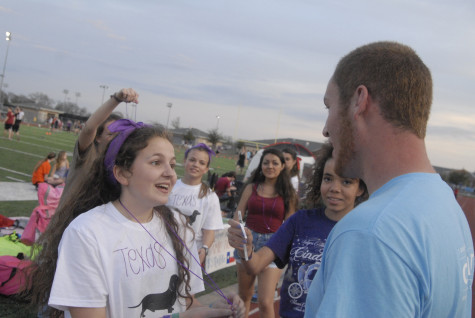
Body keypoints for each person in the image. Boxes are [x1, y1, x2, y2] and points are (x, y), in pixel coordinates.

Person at [304, 41, 474, 317]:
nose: (325, 129)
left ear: (359, 101)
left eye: (329, 107)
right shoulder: (446, 205)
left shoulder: (370, 232)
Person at [26, 120, 244, 318]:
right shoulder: (86, 233)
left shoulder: (179, 225)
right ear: (122, 174)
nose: (171, 173)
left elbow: (186, 305)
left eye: (172, 163)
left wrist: (218, 310)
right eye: (156, 163)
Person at [228, 143, 368, 317]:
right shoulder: (300, 221)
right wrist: (246, 248)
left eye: (346, 181)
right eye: (328, 178)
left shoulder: (367, 232)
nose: (335, 188)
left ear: (360, 187)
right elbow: (255, 265)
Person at [233, 148, 298, 318]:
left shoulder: (288, 193)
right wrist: (238, 234)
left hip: (273, 247)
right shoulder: (251, 188)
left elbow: (290, 225)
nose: (270, 166)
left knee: (265, 301)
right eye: (266, 162)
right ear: (261, 165)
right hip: (248, 244)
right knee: (244, 296)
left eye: (275, 163)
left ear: (283, 166)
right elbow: (238, 214)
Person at [167, 143, 224, 266]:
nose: (196, 165)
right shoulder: (168, 186)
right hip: (162, 248)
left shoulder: (210, 196)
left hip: (191, 254)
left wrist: (204, 249)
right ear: (184, 161)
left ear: (206, 169)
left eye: (202, 163)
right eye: (192, 160)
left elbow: (209, 231)